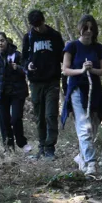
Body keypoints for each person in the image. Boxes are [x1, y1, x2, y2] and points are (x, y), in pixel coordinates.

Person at [61, 14, 102, 175]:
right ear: (80, 28)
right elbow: (65, 70)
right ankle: (91, 163)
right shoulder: (72, 46)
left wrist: (91, 69)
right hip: (77, 90)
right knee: (84, 128)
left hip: (95, 90)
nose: (88, 31)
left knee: (94, 125)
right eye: (85, 28)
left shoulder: (98, 47)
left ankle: (81, 156)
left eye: (91, 28)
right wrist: (81, 70)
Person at [22, 10, 65, 159]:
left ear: (43, 20)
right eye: (35, 26)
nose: (38, 28)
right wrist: (28, 65)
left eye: (40, 24)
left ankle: (50, 147)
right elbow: (24, 59)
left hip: (52, 80)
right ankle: (41, 145)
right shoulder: (28, 37)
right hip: (35, 82)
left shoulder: (55, 35)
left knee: (51, 114)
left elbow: (63, 57)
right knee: (39, 116)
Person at [0, 32, 30, 151]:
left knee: (15, 119)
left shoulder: (17, 55)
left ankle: (21, 142)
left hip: (17, 92)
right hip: (1, 93)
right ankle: (8, 147)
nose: (0, 43)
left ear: (7, 41)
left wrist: (17, 68)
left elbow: (27, 70)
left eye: (2, 40)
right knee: (4, 122)